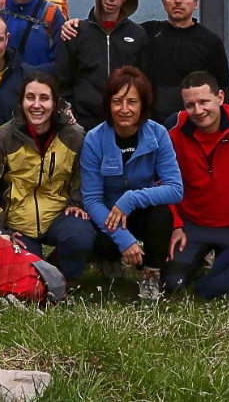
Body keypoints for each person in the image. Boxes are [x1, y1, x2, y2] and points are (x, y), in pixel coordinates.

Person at [0, 73, 96, 283]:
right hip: (17, 222)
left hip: (59, 214)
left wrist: (77, 202)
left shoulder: (73, 134)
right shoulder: (4, 137)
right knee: (32, 278)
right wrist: (0, 229)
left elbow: (84, 173)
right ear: (21, 101)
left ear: (55, 103)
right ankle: (44, 271)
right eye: (30, 97)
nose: (36, 105)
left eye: (44, 98)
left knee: (80, 235)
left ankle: (67, 277)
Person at [163, 72, 229, 298]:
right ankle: (202, 268)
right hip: (192, 223)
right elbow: (162, 181)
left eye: (204, 102)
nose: (198, 111)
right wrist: (175, 225)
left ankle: (218, 272)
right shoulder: (174, 127)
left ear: (220, 98)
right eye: (190, 105)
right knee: (173, 283)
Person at [80, 67, 182, 300]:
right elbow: (92, 199)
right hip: (107, 214)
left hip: (140, 211)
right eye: (117, 101)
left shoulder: (158, 134)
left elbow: (175, 189)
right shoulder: (94, 139)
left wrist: (131, 199)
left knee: (162, 216)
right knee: (93, 235)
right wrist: (125, 240)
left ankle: (150, 275)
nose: (124, 109)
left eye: (132, 102)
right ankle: (109, 259)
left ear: (143, 105)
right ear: (108, 104)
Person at [55, 0, 150, 132]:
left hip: (124, 124)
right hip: (82, 124)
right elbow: (63, 79)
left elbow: (146, 82)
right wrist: (68, 112)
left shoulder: (138, 35)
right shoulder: (75, 32)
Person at [139, 0, 229, 123]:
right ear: (163, 2)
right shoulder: (147, 33)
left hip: (195, 125)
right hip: (151, 125)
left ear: (196, 3)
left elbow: (223, 90)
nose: (178, 0)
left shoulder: (210, 42)